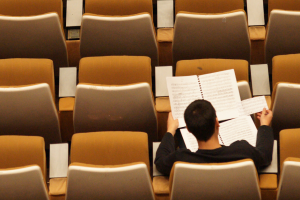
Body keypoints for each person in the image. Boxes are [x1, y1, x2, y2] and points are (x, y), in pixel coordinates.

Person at [155, 99, 274, 175]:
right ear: (217, 122)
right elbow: (265, 156)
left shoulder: (181, 159)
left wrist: (170, 130)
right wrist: (264, 125)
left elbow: (160, 161)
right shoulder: (243, 151)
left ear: (189, 129)